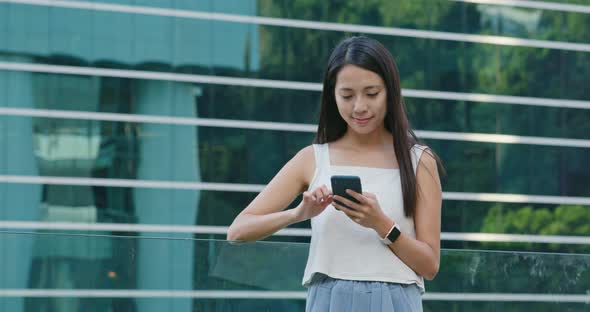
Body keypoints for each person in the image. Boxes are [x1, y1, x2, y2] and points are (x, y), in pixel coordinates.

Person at [227, 36, 443, 312]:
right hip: (329, 300)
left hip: (396, 301)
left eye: (372, 93)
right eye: (347, 95)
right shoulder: (313, 158)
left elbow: (430, 264)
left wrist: (380, 223)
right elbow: (237, 231)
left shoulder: (420, 162)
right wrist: (298, 214)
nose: (359, 107)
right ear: (332, 95)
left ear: (391, 91)